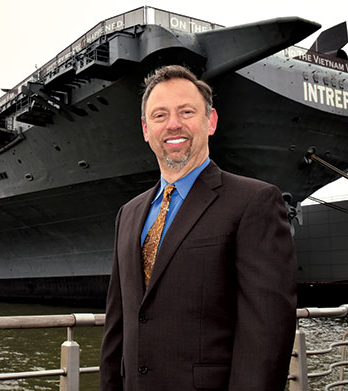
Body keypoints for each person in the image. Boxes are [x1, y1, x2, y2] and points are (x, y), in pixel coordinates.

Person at [99, 65, 297, 391]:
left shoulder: (254, 202)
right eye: (159, 115)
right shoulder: (129, 214)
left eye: (186, 111)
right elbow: (117, 326)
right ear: (146, 130)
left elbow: (267, 335)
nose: (173, 124)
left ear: (211, 121)